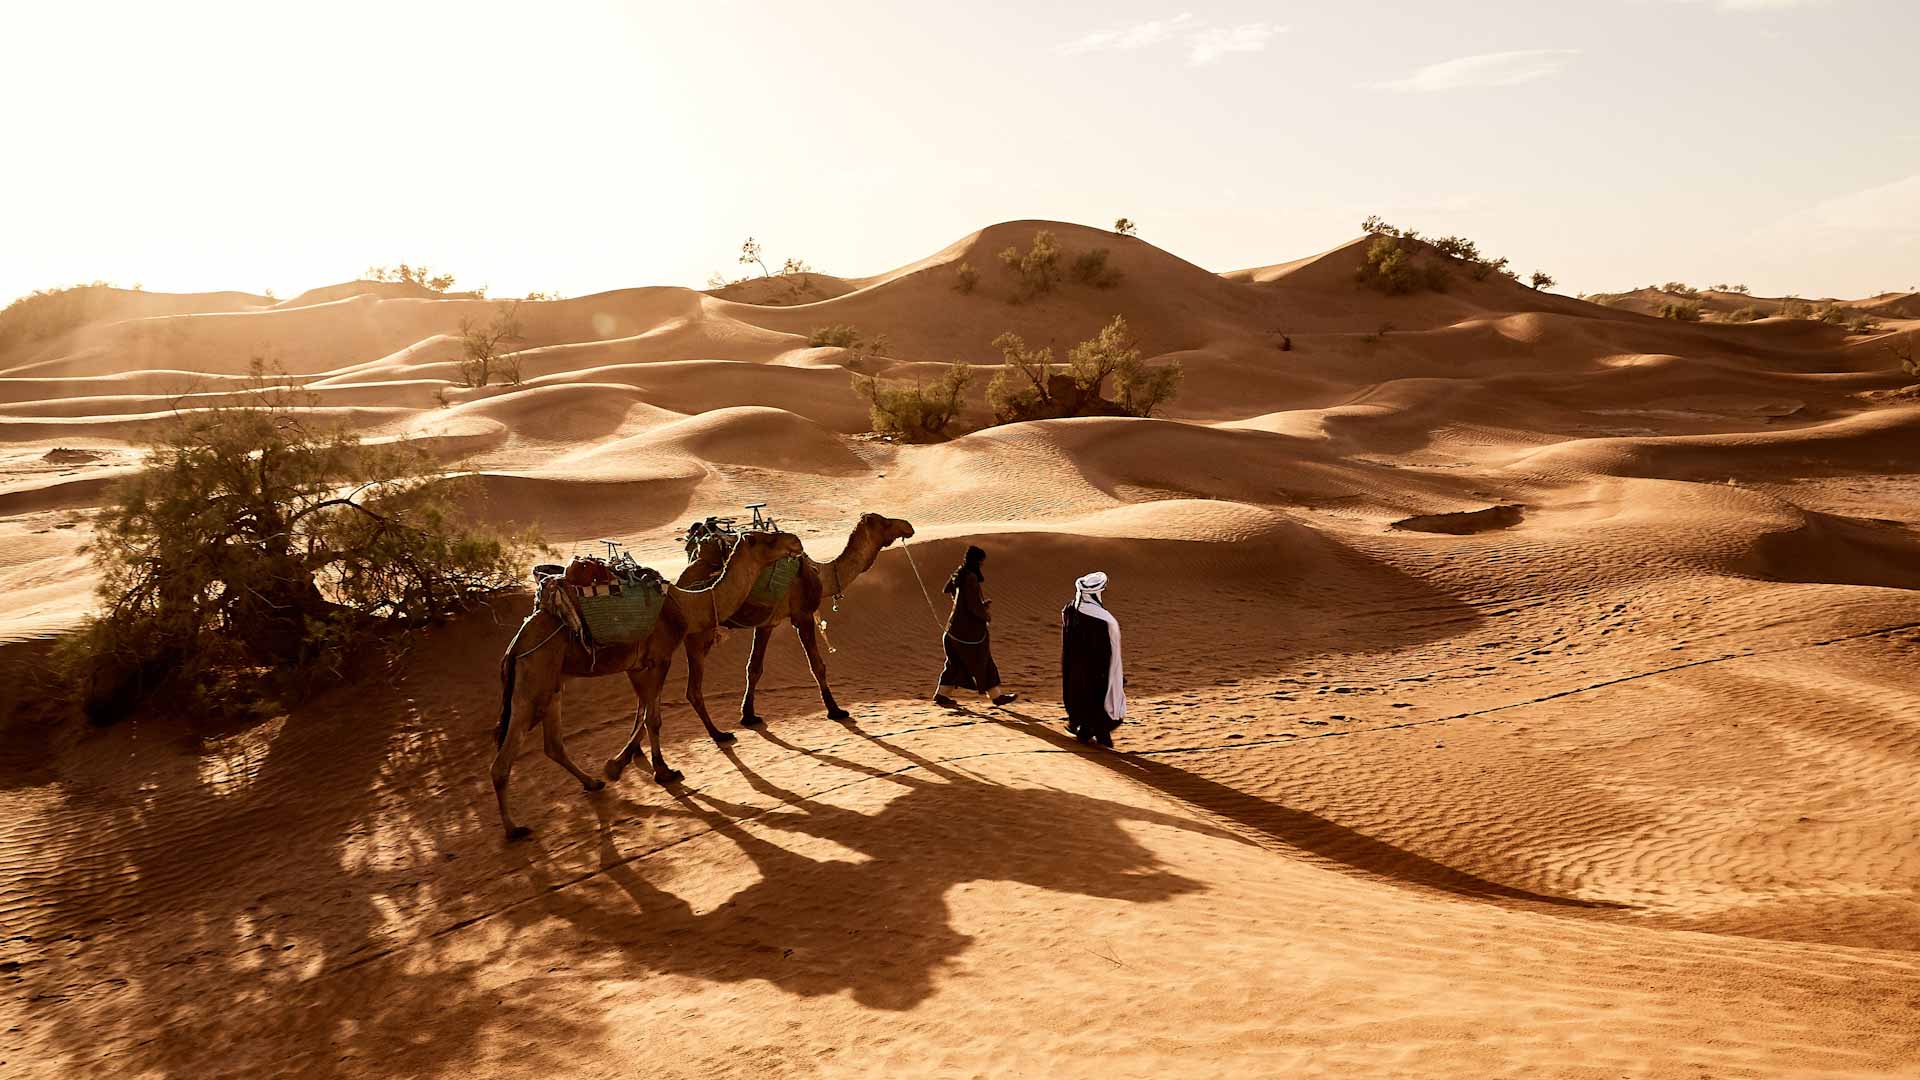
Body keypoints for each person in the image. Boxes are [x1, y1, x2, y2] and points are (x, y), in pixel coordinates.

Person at [934, 546, 1017, 709]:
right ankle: (996, 696)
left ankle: (941, 695)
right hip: (967, 633)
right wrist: (985, 614)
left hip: (952, 630)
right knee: (984, 660)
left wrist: (963, 600)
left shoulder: (959, 573)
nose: (981, 565)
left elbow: (947, 590)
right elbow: (972, 606)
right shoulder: (970, 577)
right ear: (976, 561)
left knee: (954, 663)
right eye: (981, 562)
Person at [1061, 571, 1125, 746]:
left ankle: (1084, 729)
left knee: (1081, 699)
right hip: (1097, 671)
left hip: (1075, 669)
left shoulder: (1069, 610)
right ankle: (1096, 735)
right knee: (1102, 703)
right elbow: (1108, 649)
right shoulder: (1104, 619)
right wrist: (1113, 672)